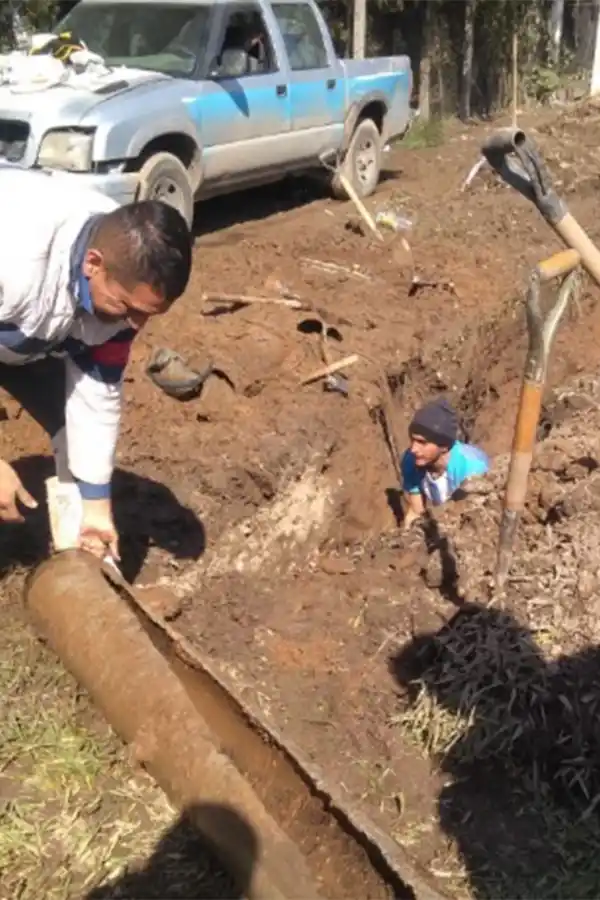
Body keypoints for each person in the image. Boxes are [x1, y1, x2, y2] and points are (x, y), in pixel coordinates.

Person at [0, 165, 192, 559]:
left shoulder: (125, 274)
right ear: (92, 263)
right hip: (17, 306)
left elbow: (97, 392)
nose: (135, 325)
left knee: (72, 432)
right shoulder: (14, 257)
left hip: (25, 333)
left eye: (148, 315)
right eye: (127, 307)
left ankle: (72, 554)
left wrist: (97, 511)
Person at [401, 397, 489, 529]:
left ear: (444, 446)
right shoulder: (411, 460)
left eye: (422, 442)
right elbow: (415, 512)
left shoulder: (471, 468)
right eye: (412, 440)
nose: (413, 449)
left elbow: (472, 521)